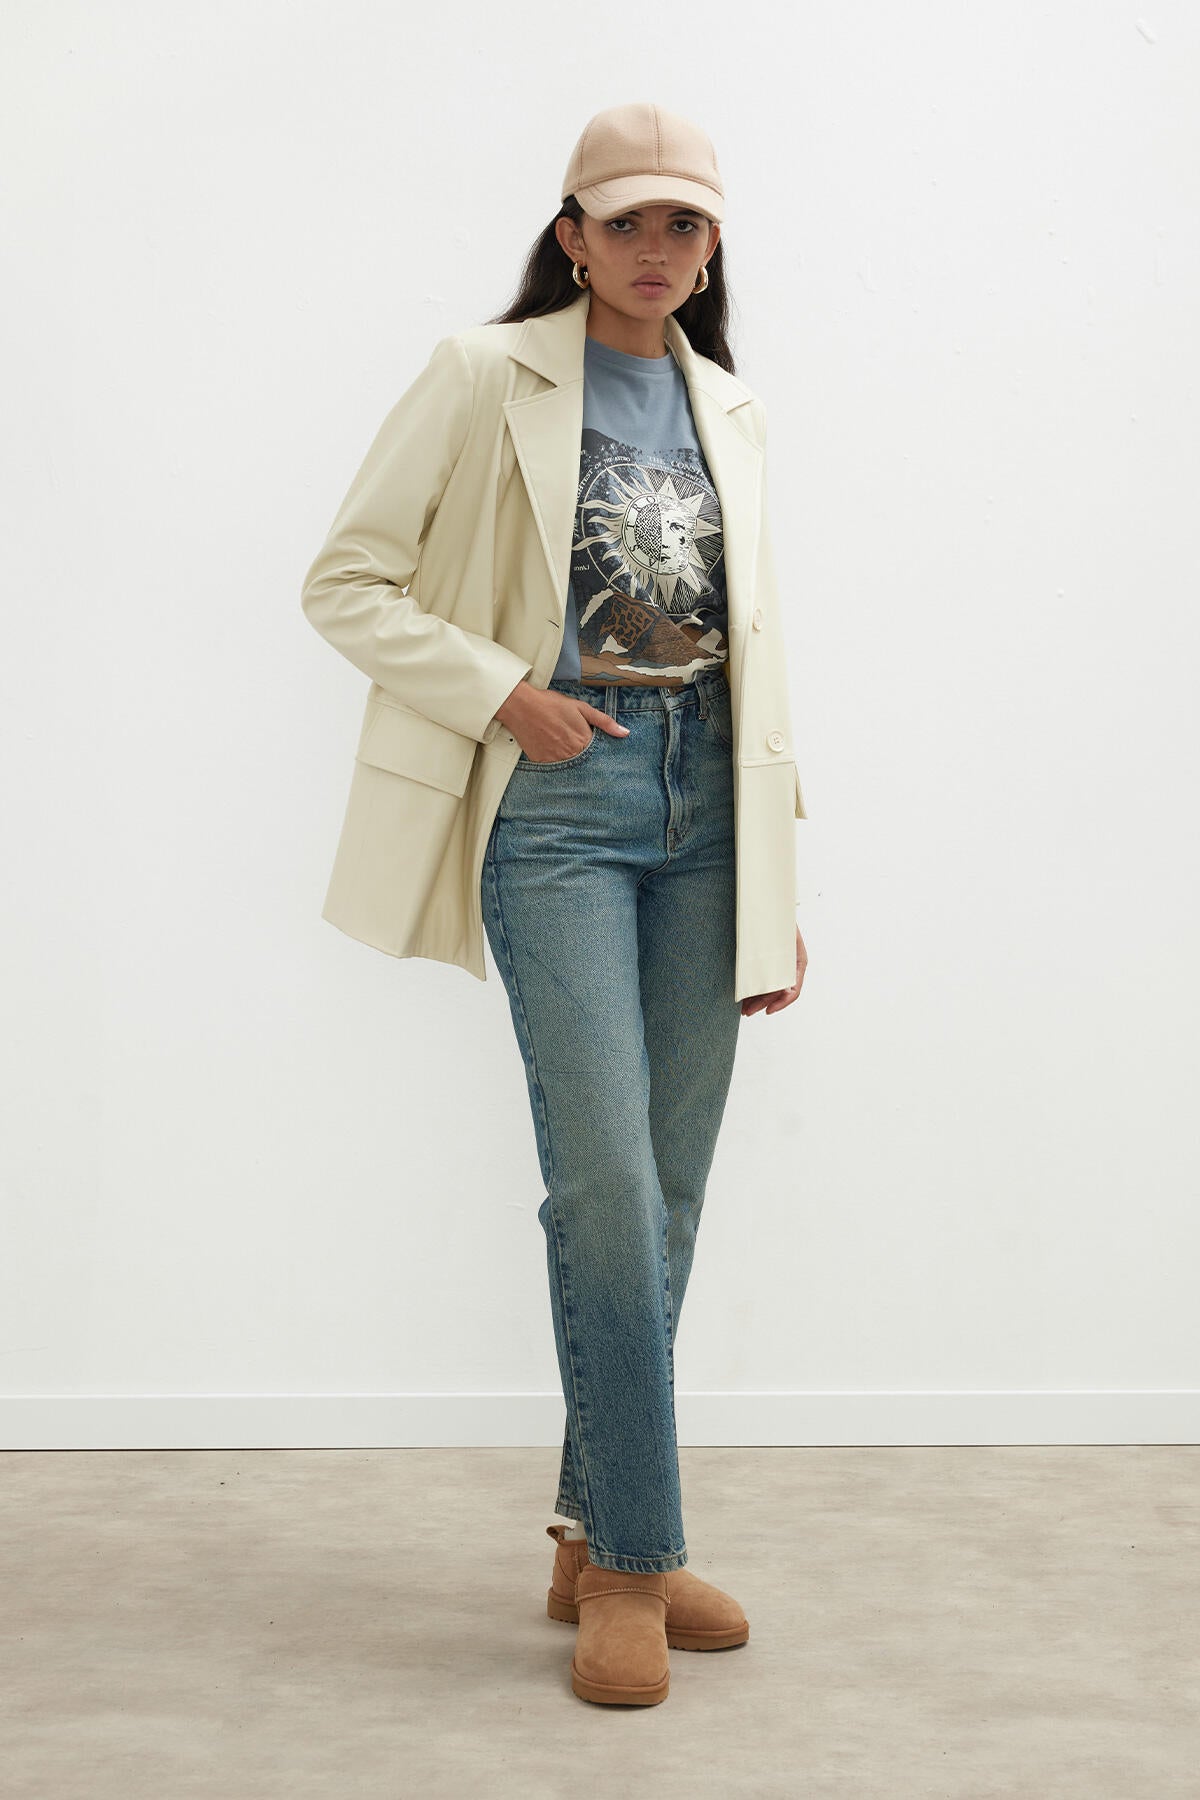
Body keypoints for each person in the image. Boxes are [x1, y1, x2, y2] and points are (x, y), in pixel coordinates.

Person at [301, 100, 809, 1707]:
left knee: (670, 1190)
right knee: (605, 1188)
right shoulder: (485, 374)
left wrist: (779, 873)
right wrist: (504, 691)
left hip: (711, 811)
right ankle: (639, 1566)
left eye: (685, 225)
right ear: (572, 235)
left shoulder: (733, 404)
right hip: (564, 808)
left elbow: (755, 651)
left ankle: (592, 1540)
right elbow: (346, 581)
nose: (656, 249)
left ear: (712, 247)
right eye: (627, 221)